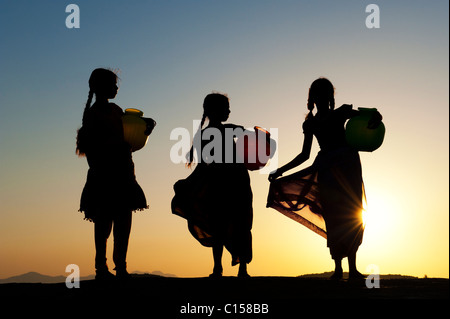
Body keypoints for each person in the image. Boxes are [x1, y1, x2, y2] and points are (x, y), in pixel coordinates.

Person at [267, 78, 382, 280]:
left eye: (325, 94)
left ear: (330, 96)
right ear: (312, 97)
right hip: (328, 168)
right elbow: (304, 154)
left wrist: (376, 116)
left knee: (352, 214)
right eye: (318, 94)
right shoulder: (310, 123)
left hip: (348, 167)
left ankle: (352, 269)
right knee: (334, 216)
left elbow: (371, 114)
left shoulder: (341, 113)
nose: (321, 97)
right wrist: (281, 171)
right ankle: (339, 268)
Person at [76, 68, 151, 280]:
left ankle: (121, 267)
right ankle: (101, 267)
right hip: (104, 176)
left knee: (123, 223)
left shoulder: (118, 111)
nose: (116, 88)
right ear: (100, 87)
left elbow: (130, 144)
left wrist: (144, 131)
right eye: (112, 84)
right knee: (103, 224)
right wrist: (115, 146)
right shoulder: (93, 114)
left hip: (124, 173)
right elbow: (90, 147)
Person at [172, 93, 253, 278]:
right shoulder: (216, 133)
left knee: (226, 224)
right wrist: (188, 183)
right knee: (233, 224)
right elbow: (204, 165)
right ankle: (234, 269)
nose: (229, 111)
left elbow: (203, 166)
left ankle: (222, 268)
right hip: (230, 183)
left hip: (231, 183)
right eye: (225, 108)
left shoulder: (208, 134)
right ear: (214, 110)